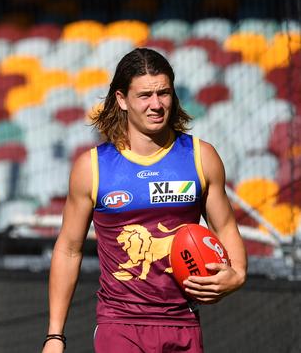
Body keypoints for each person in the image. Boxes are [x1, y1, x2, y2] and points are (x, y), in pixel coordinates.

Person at [42, 48, 247, 353]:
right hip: (119, 325)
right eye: (145, 95)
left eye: (163, 93)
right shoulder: (92, 167)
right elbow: (69, 249)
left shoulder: (201, 157)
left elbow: (226, 225)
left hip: (183, 322)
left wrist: (238, 273)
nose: (156, 105)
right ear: (122, 99)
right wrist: (54, 336)